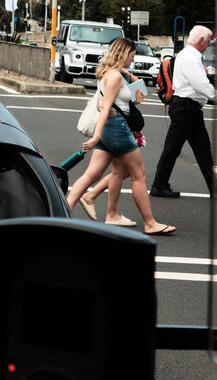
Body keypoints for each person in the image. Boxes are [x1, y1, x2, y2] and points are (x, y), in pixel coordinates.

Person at [67, 38, 174, 236]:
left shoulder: (109, 74)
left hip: (110, 127)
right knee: (139, 175)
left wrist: (128, 76)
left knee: (93, 174)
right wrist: (96, 136)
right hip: (116, 127)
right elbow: (105, 107)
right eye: (132, 55)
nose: (133, 59)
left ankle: (63, 214)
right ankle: (150, 223)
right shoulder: (115, 76)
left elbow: (133, 96)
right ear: (124, 54)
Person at [151, 24, 217, 198]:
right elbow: (202, 86)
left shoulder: (186, 55)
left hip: (186, 108)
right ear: (201, 40)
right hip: (186, 108)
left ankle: (213, 186)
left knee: (198, 148)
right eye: (209, 41)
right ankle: (159, 185)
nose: (209, 44)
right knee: (177, 149)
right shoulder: (191, 57)